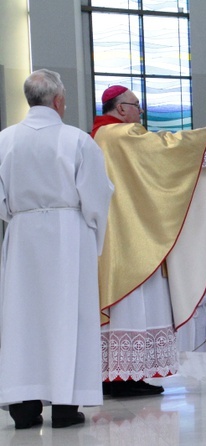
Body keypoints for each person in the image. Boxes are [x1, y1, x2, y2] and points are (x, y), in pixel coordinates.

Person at [92, 85, 206, 397]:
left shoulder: (100, 138)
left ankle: (123, 372)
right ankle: (125, 377)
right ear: (119, 109)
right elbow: (164, 150)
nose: (139, 111)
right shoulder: (121, 135)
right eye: (135, 105)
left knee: (127, 308)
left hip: (118, 237)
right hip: (132, 240)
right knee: (135, 304)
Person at [0, 69, 113, 429]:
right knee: (71, 317)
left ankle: (24, 407)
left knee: (23, 318)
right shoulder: (77, 140)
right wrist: (93, 236)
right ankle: (65, 407)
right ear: (59, 100)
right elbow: (97, 195)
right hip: (68, 233)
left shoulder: (5, 140)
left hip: (22, 234)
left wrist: (20, 216)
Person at [177, 280, 206, 353]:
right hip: (182, 312)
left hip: (198, 313)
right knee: (182, 344)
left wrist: (192, 301)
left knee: (199, 346)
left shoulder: (203, 269)